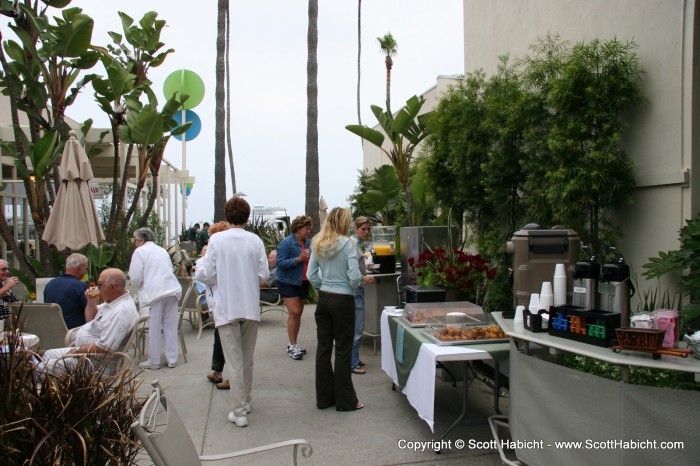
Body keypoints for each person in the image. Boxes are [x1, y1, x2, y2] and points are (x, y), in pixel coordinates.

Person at [195, 196, 269, 427]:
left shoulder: (217, 240)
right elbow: (263, 276)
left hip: (227, 306)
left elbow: (206, 274)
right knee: (246, 359)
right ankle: (245, 401)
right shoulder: (255, 241)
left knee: (234, 360)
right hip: (249, 305)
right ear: (247, 217)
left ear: (227, 217)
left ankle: (239, 411)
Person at [307, 207, 363, 412]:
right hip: (343, 300)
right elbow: (355, 275)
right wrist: (352, 285)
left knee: (323, 349)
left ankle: (324, 398)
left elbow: (312, 275)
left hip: (324, 299)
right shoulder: (349, 243)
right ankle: (346, 401)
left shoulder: (318, 243)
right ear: (344, 223)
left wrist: (324, 286)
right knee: (343, 350)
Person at [42, 268, 138, 374]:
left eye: (100, 284)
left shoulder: (122, 312)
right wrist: (91, 301)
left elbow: (106, 347)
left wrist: (77, 349)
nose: (97, 287)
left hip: (96, 363)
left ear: (112, 287)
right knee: (48, 354)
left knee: (42, 368)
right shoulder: (112, 303)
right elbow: (90, 319)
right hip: (86, 355)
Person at [129, 227, 182, 370]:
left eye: (135, 240)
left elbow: (135, 278)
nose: (134, 243)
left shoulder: (140, 252)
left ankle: (154, 360)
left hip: (155, 292)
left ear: (141, 240)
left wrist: (139, 284)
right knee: (170, 326)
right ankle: (172, 358)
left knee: (154, 326)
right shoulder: (162, 250)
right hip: (172, 289)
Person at [276, 215, 312, 360]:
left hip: (303, 281)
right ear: (298, 228)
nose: (308, 231)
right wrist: (298, 259)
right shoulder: (286, 243)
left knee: (298, 314)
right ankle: (292, 345)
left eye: (309, 228)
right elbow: (280, 263)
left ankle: (294, 343)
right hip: (288, 281)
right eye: (306, 228)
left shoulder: (308, 243)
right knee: (295, 311)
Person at [350, 217, 375, 374]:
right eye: (363, 229)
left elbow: (356, 267)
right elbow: (351, 272)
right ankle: (352, 363)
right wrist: (364, 277)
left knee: (357, 327)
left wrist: (366, 268)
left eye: (368, 229)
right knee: (357, 329)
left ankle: (355, 358)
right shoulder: (352, 244)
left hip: (357, 289)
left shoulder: (356, 244)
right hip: (355, 290)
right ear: (355, 228)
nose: (366, 232)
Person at [44, 253, 91, 329]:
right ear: (81, 267)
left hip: (53, 330)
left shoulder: (50, 284)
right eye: (86, 268)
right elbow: (90, 311)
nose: (86, 271)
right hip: (74, 332)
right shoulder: (80, 287)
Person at [0, 259, 19, 325]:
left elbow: (16, 304)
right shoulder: (6, 286)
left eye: (8, 269)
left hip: (8, 328)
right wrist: (7, 286)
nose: (7, 271)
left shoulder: (4, 285)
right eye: (3, 269)